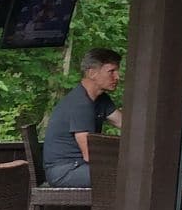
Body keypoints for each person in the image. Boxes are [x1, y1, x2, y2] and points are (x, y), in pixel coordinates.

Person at [40, 48, 123, 189]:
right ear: (92, 73)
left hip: (80, 166)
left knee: (133, 172)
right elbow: (90, 155)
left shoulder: (101, 99)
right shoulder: (80, 104)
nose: (117, 77)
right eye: (111, 71)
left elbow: (127, 124)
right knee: (128, 176)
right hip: (65, 171)